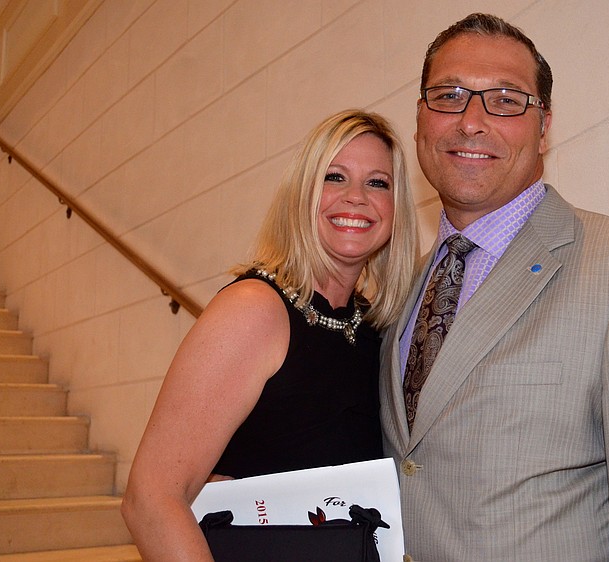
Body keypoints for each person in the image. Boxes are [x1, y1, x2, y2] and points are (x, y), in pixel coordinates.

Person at [379, 13, 609, 561]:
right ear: (420, 120)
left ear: (544, 126)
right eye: (449, 95)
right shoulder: (398, 289)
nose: (472, 121)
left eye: (505, 99)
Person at [121, 109, 418, 561]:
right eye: (334, 177)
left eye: (378, 183)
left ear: (396, 208)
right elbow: (150, 500)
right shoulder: (255, 310)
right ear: (302, 194)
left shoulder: (375, 327)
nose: (356, 198)